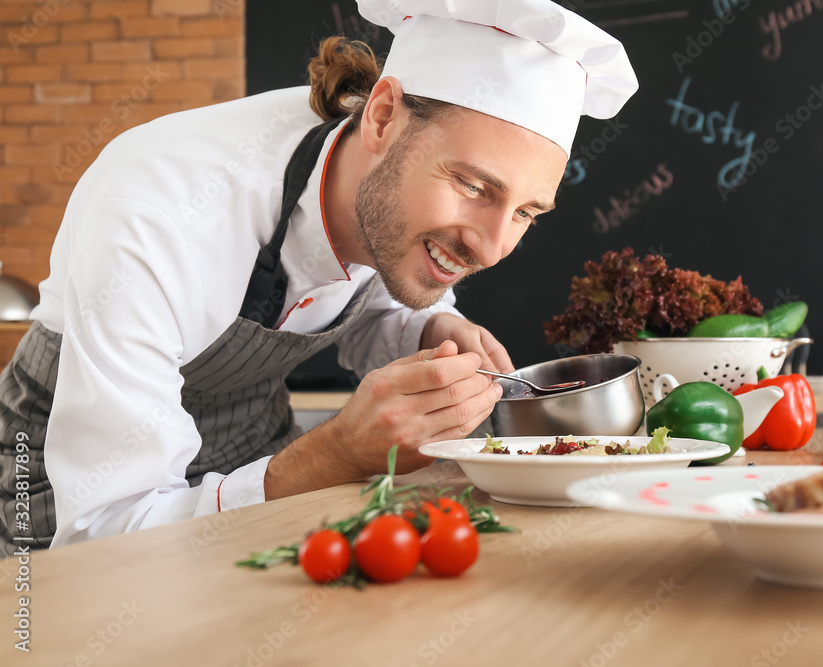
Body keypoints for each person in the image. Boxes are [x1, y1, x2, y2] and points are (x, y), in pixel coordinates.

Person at [0, 0, 637, 553]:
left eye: (525, 212)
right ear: (383, 116)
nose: (494, 248)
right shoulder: (158, 216)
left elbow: (357, 295)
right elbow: (108, 532)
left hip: (255, 457)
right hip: (70, 485)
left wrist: (427, 328)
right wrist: (336, 454)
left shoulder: (381, 189)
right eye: (473, 186)